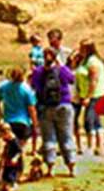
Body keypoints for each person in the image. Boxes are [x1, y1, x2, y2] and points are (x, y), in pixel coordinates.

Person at [31, 47, 76, 177]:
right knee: (66, 136)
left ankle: (50, 169)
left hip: (45, 107)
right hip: (64, 105)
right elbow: (72, 79)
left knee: (49, 138)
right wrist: (61, 64)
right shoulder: (62, 70)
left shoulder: (38, 72)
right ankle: (71, 167)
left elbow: (34, 86)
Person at [0, 66, 38, 186]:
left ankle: (11, 175)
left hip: (8, 122)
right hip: (23, 123)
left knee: (12, 150)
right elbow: (31, 109)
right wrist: (35, 124)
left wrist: (0, 115)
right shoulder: (26, 90)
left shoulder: (3, 87)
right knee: (17, 150)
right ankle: (13, 177)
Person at [76, 40, 104, 155]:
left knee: (89, 121)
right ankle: (97, 146)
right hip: (86, 94)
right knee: (95, 121)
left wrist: (88, 97)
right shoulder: (85, 61)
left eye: (82, 48)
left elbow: (93, 81)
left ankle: (93, 146)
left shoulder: (93, 62)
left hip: (95, 95)